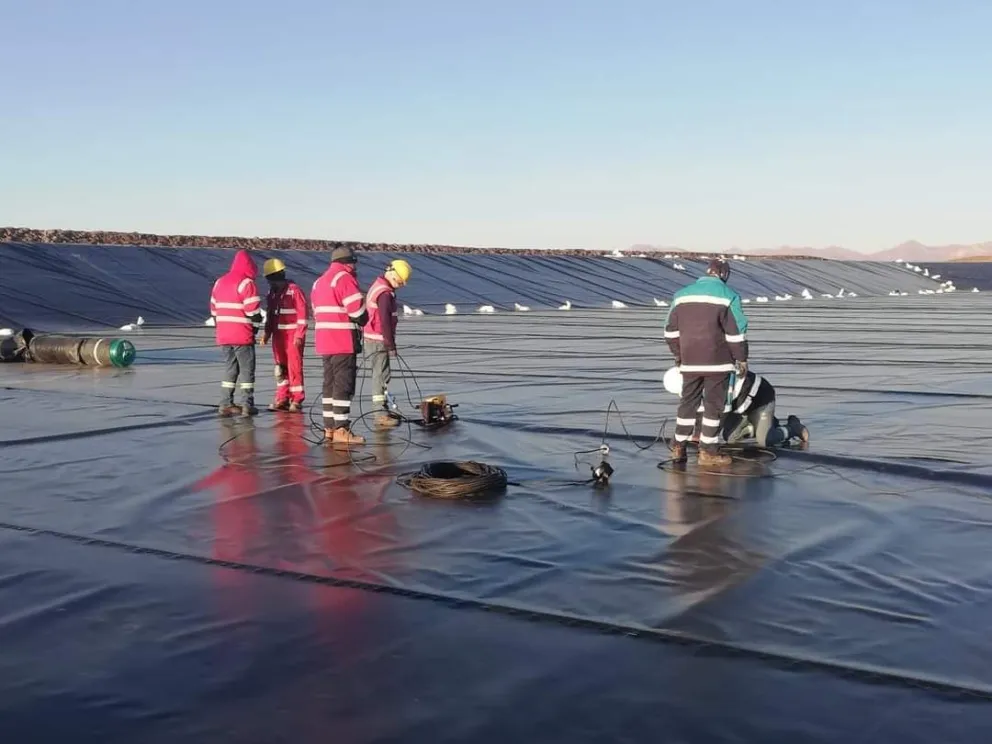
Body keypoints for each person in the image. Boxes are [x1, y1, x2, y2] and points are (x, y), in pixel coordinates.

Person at [664, 258, 748, 466]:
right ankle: (708, 451)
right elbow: (736, 333)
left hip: (689, 361)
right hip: (718, 363)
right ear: (724, 275)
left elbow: (670, 331)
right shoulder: (729, 296)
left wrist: (679, 355)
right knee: (713, 406)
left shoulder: (681, 295)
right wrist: (741, 358)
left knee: (688, 403)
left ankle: (678, 446)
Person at [663, 366, 810, 448]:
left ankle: (793, 428)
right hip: (738, 407)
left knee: (765, 440)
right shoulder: (695, 386)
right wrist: (696, 435)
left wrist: (705, 441)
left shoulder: (715, 384)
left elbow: (718, 416)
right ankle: (761, 424)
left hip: (760, 400)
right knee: (731, 439)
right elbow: (700, 411)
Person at [311, 246, 368, 445]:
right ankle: (342, 429)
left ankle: (329, 427)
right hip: (342, 339)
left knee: (329, 384)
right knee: (343, 385)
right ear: (348, 262)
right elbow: (357, 311)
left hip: (324, 340)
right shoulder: (344, 278)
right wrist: (364, 318)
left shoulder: (319, 282)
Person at [210, 249, 263, 417]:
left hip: (224, 335)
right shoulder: (246, 283)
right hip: (241, 334)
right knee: (247, 369)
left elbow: (214, 310)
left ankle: (225, 403)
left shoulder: (220, 282)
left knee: (230, 368)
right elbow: (252, 311)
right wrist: (256, 325)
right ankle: (247, 404)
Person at [363, 259, 412, 428]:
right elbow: (384, 321)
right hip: (378, 340)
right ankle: (379, 413)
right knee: (380, 375)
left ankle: (382, 408)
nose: (399, 285)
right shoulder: (384, 293)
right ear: (392, 273)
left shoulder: (380, 287)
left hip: (375, 339)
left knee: (383, 374)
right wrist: (390, 345)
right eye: (399, 281)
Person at [260, 257, 308, 413]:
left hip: (292, 335)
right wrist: (267, 333)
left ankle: (297, 399)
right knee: (280, 368)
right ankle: (282, 398)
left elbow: (302, 315)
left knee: (294, 367)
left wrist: (299, 335)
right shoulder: (272, 294)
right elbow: (270, 314)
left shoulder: (294, 291)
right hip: (278, 336)